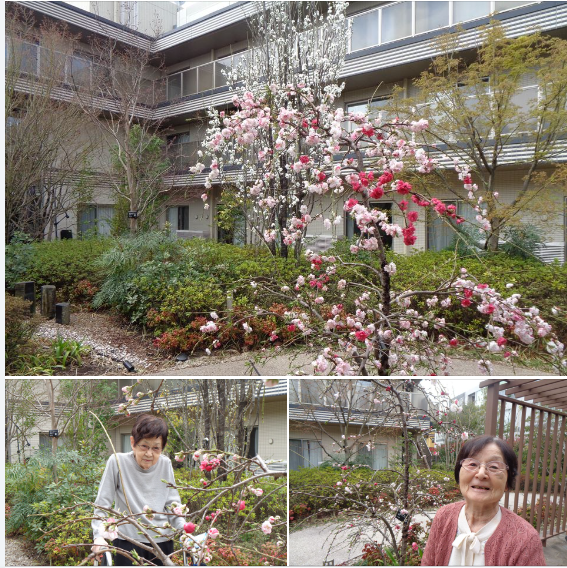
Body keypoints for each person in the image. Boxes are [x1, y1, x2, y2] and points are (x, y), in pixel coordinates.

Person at [421, 434, 546, 566]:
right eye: (473, 464)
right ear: (459, 473)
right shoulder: (443, 517)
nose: (481, 474)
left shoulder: (526, 539)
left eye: (494, 467)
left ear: (507, 483)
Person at [91, 414, 186, 566]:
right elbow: (102, 505)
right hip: (126, 542)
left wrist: (185, 532)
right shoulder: (117, 462)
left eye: (156, 448)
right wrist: (98, 536)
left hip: (162, 543)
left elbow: (173, 506)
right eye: (144, 446)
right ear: (133, 443)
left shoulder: (165, 464)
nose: (149, 453)